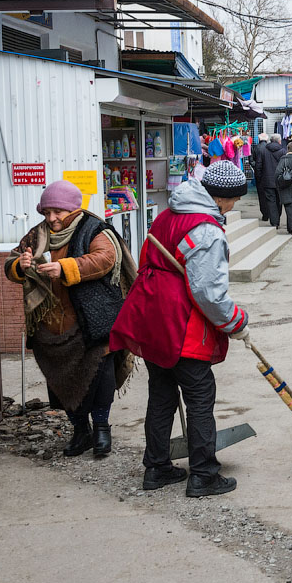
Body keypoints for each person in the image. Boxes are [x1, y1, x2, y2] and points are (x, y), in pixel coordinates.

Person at [111, 161, 250, 497]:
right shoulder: (207, 230)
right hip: (181, 320)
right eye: (233, 201)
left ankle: (156, 468)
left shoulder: (166, 214)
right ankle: (203, 474)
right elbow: (208, 292)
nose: (233, 207)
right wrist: (236, 321)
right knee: (200, 397)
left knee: (161, 395)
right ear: (221, 198)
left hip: (154, 315)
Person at [4, 181, 138, 458]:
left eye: (58, 212)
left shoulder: (94, 229)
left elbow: (106, 258)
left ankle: (101, 429)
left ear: (73, 209)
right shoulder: (36, 235)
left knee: (99, 375)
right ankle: (80, 431)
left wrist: (67, 267)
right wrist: (20, 265)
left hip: (92, 320)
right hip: (52, 327)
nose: (51, 218)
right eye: (47, 212)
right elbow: (11, 263)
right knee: (60, 380)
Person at [253, 133, 285, 227]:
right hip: (280, 181)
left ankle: (274, 222)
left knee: (271, 201)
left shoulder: (263, 151)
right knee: (279, 200)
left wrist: (259, 179)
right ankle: (277, 217)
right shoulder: (283, 151)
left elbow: (258, 166)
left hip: (267, 180)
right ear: (279, 141)